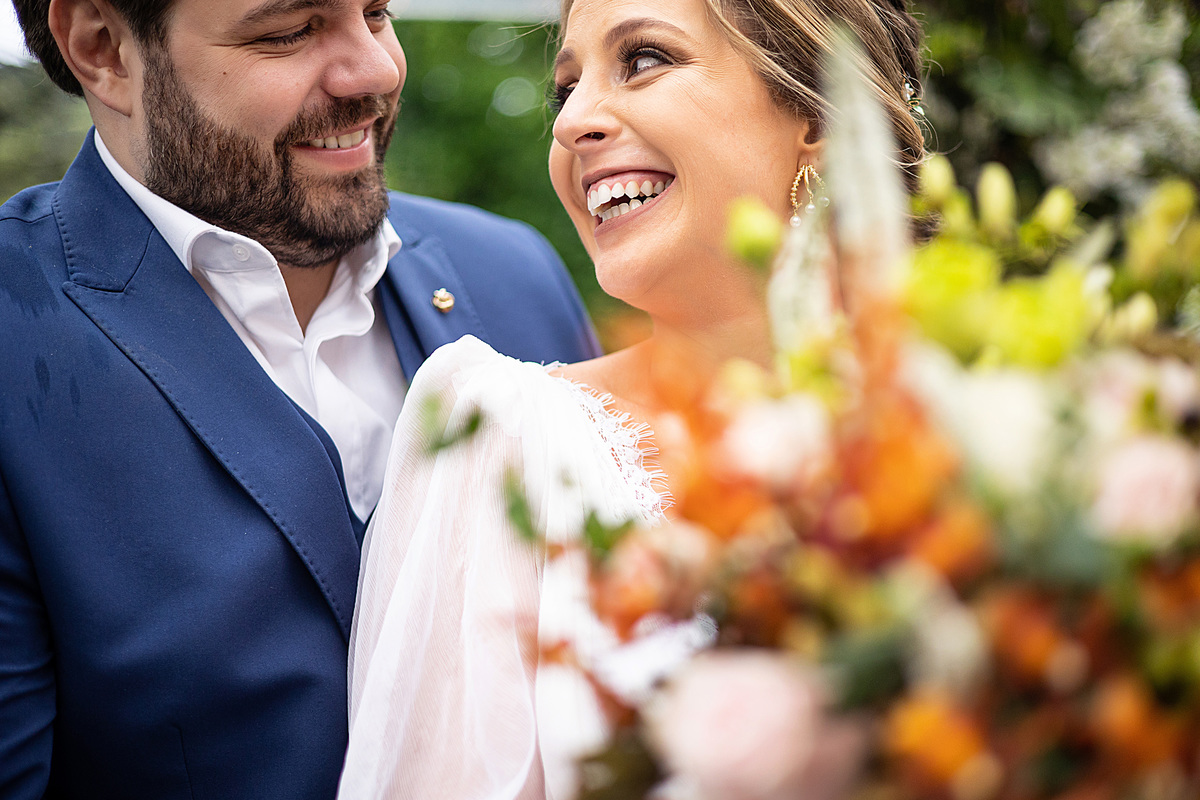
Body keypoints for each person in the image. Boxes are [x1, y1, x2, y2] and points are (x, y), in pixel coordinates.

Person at [0, 0, 599, 796]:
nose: (377, 70)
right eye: (289, 31)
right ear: (102, 47)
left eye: (376, 12)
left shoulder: (517, 276)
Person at [338, 0, 927, 797]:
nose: (571, 121)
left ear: (819, 112)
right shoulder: (504, 437)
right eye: (565, 88)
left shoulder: (1010, 426)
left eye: (644, 60)